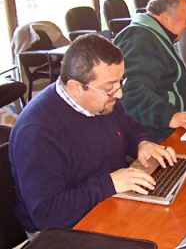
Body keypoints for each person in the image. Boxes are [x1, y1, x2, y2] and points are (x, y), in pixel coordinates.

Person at [9, 34, 177, 236]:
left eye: (120, 82)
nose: (119, 94)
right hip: (66, 229)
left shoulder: (103, 102)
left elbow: (129, 129)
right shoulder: (37, 132)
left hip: (109, 201)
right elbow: (46, 214)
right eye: (110, 88)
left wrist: (143, 143)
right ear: (75, 87)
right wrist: (110, 184)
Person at [114, 0, 186, 140]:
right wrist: (168, 116)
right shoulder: (140, 40)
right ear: (165, 18)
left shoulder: (156, 35)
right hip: (159, 132)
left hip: (183, 121)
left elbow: (171, 83)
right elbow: (131, 92)